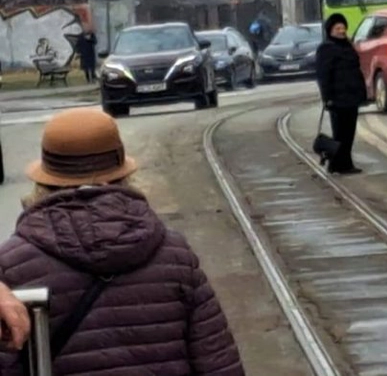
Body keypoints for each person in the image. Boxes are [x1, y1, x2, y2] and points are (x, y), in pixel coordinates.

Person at [0, 108, 244, 374]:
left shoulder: (11, 266)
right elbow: (217, 363)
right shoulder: (175, 255)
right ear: (122, 175)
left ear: (44, 180)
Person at [316, 13, 366, 175]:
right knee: (340, 134)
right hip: (337, 99)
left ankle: (343, 164)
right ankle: (338, 164)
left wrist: (362, 93)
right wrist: (327, 98)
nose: (341, 31)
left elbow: (356, 70)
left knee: (349, 133)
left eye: (343, 27)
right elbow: (323, 76)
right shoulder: (326, 48)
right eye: (338, 28)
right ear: (330, 30)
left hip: (352, 96)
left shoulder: (348, 46)